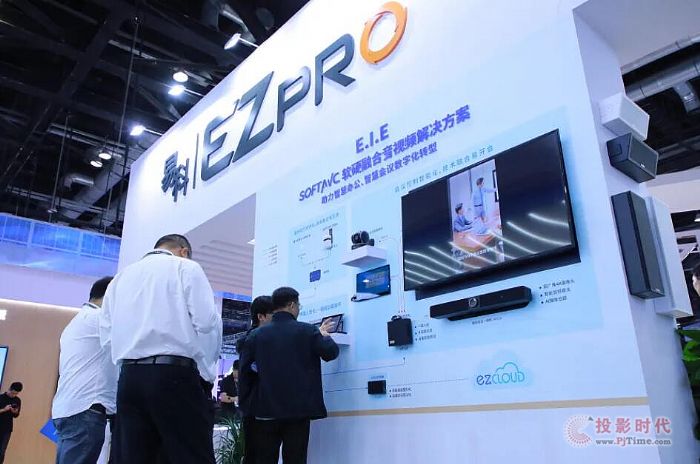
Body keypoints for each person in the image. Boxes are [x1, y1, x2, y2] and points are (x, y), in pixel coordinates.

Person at [99, 234, 222, 464]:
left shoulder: (119, 279)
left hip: (129, 378)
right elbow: (206, 322)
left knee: (133, 457)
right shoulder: (186, 268)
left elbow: (106, 338)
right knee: (191, 454)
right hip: (173, 375)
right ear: (184, 251)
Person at [239, 287, 339, 464]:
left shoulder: (256, 335)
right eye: (298, 305)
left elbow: (245, 374)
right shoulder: (308, 331)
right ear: (292, 305)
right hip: (298, 412)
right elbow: (330, 353)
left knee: (264, 459)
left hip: (265, 410)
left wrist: (247, 406)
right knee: (295, 459)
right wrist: (324, 335)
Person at [52, 277, 116, 464]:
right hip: (85, 410)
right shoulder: (99, 319)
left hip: (69, 409)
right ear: (111, 296)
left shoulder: (77, 322)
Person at [235, 295, 274, 464]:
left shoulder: (252, 338)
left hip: (255, 406)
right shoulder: (253, 340)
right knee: (256, 455)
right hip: (255, 407)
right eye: (273, 315)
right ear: (261, 316)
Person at [0, 382, 22, 464]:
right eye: (13, 393)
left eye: (16, 394)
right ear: (9, 389)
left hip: (7, 429)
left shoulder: (17, 400)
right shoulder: (1, 397)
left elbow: (16, 415)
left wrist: (14, 412)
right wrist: (4, 409)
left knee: (2, 451)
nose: (14, 395)